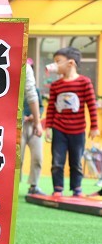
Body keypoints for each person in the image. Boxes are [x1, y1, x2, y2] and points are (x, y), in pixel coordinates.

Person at [44, 47, 99, 197]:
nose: (55, 65)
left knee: (76, 161)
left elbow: (91, 105)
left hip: (78, 130)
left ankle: (77, 189)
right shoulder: (56, 85)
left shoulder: (84, 82)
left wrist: (94, 126)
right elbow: (51, 108)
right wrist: (48, 127)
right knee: (57, 161)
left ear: (71, 63)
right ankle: (58, 189)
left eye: (58, 61)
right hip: (59, 129)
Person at [21, 61, 45, 195]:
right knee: (18, 158)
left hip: (34, 125)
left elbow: (40, 106)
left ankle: (34, 185)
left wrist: (35, 118)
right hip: (19, 125)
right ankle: (13, 185)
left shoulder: (35, 90)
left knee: (38, 157)